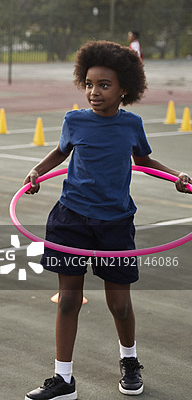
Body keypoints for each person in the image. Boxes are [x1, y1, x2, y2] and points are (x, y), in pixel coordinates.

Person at [23, 41, 190, 400]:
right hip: (70, 218)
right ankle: (63, 379)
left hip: (114, 223)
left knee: (120, 304)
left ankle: (129, 361)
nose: (93, 92)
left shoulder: (132, 125)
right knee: (68, 300)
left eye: (104, 85)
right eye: (88, 84)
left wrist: (176, 176)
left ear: (124, 89)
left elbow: (144, 161)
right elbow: (60, 151)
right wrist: (37, 171)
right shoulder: (74, 120)